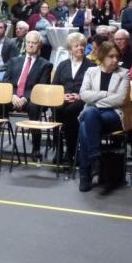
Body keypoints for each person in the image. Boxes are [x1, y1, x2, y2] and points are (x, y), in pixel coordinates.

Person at [77, 42, 132, 191]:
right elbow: (83, 95)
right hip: (94, 115)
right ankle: (95, 156)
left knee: (88, 117)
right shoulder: (91, 71)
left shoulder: (124, 73)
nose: (115, 60)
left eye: (117, 56)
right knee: (88, 121)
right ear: (102, 57)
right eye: (111, 56)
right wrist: (105, 94)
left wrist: (96, 102)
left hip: (115, 114)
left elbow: (120, 99)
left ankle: (86, 173)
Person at [0, 31, 53, 161]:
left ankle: (36, 149)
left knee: (35, 106)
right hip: (13, 97)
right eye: (28, 42)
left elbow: (41, 86)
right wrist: (12, 96)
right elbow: (6, 81)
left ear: (39, 45)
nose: (30, 45)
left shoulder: (45, 65)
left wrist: (24, 98)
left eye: (34, 43)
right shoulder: (14, 61)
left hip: (31, 98)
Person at [51, 32, 94, 164]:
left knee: (70, 112)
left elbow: (94, 88)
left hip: (82, 100)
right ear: (70, 49)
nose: (80, 48)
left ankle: (70, 151)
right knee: (56, 109)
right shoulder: (63, 65)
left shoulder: (91, 66)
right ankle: (58, 150)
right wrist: (62, 95)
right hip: (63, 99)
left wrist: (79, 96)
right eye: (76, 46)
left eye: (82, 45)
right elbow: (55, 86)